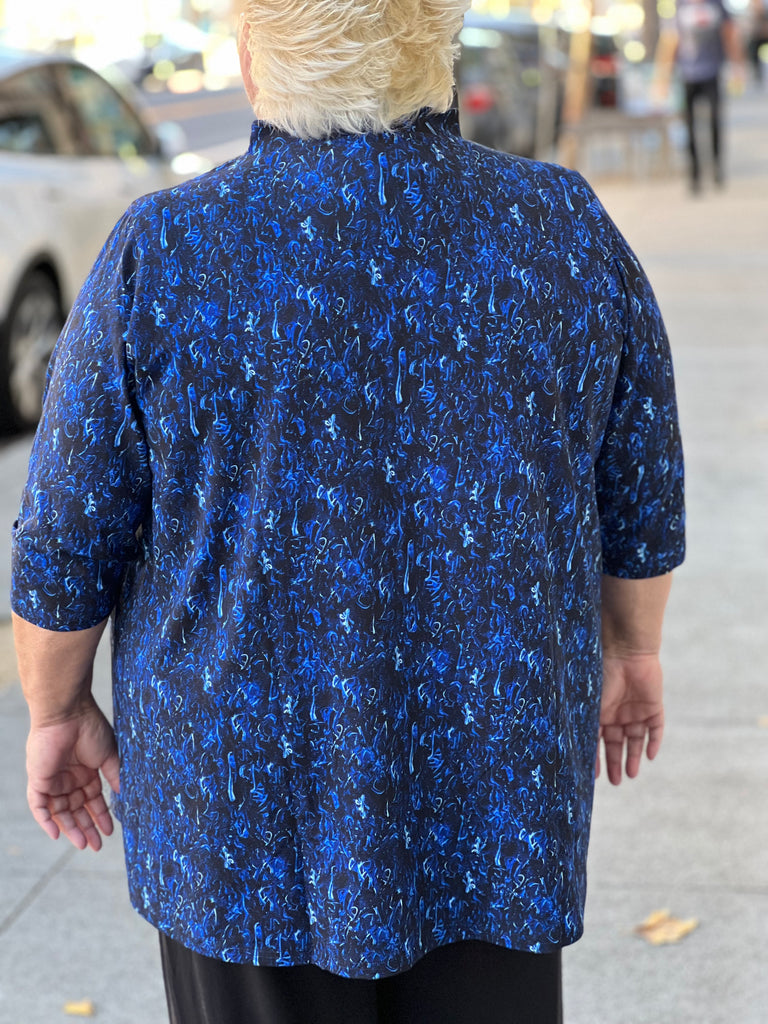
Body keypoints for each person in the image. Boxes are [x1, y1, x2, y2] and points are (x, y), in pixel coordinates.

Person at [11, 2, 685, 1022]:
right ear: (439, 43)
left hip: (239, 812)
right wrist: (633, 650)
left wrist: (57, 710)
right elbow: (642, 494)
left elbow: (66, 541)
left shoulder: (166, 250)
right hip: (491, 789)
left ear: (253, 58)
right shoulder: (560, 230)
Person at [672, 0, 744, 191]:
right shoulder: (680, 6)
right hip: (687, 75)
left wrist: (737, 65)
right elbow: (672, 39)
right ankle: (694, 174)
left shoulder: (716, 5)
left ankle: (716, 168)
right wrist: (664, 74)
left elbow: (728, 33)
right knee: (689, 126)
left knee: (714, 122)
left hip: (712, 72)